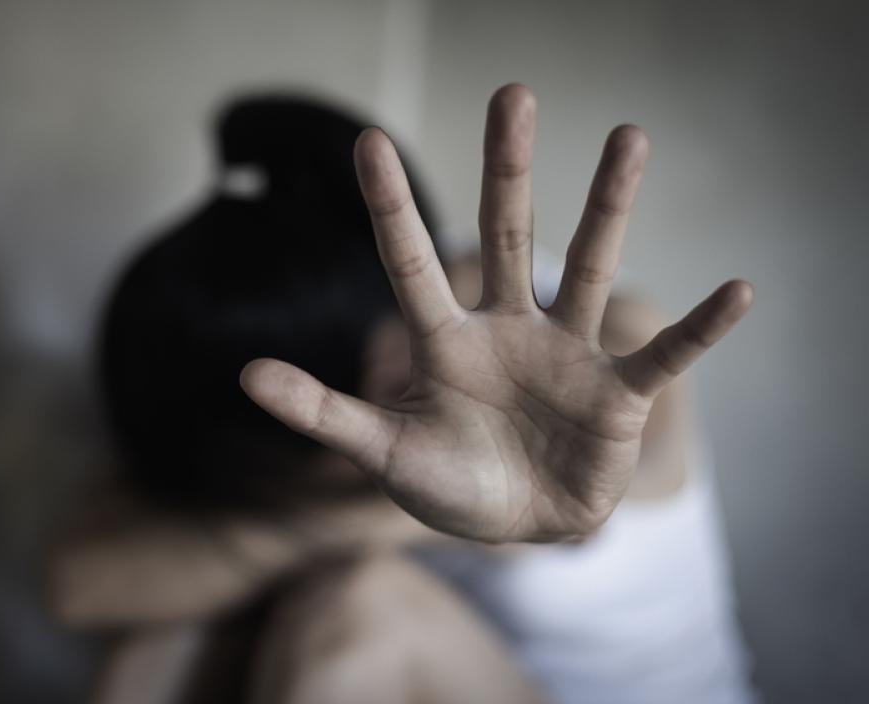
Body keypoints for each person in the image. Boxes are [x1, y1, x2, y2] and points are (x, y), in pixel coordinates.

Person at [50, 85, 755, 703]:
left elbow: (605, 486)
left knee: (355, 607)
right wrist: (301, 527)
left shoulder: (595, 346)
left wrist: (282, 532)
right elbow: (82, 583)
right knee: (170, 638)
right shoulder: (263, 378)